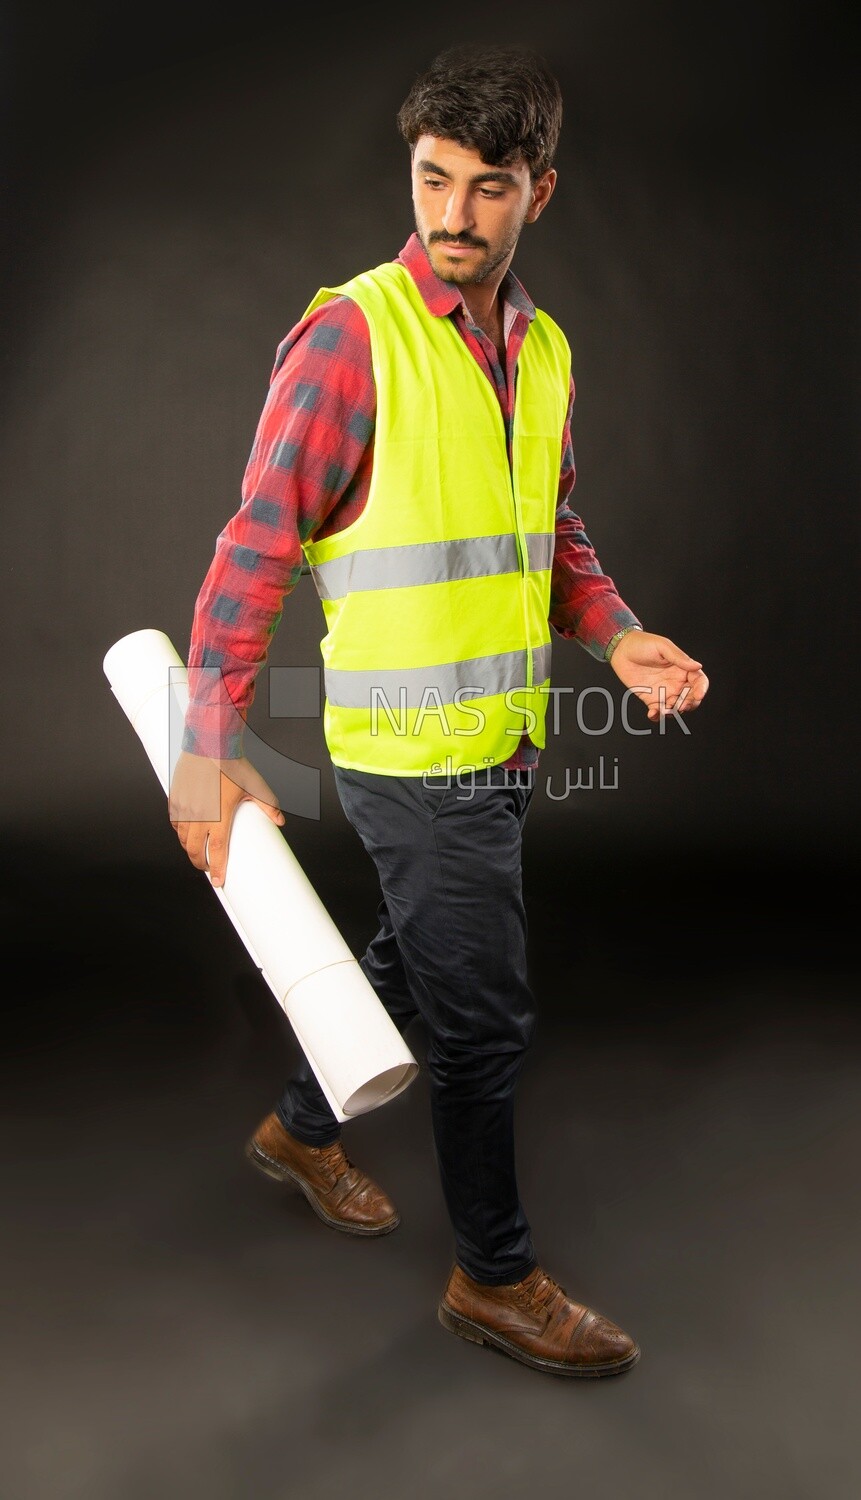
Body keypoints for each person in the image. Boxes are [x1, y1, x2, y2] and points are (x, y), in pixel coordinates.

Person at [169, 41, 709, 1379]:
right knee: (483, 1021)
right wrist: (206, 748)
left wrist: (620, 636)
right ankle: (495, 1277)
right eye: (431, 180)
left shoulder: (547, 351)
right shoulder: (352, 337)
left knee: (408, 962)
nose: (454, 216)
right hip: (407, 757)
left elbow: (547, 538)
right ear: (409, 175)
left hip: (502, 738)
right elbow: (256, 545)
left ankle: (298, 1132)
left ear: (542, 191)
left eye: (488, 187)